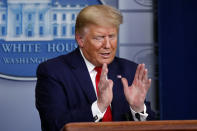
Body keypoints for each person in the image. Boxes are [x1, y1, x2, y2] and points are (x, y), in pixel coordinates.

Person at [35, 5, 155, 131]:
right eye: (99, 38)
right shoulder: (53, 72)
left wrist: (138, 109)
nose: (108, 45)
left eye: (112, 36)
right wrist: (99, 106)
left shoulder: (129, 70)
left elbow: (155, 126)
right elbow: (54, 125)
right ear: (80, 39)